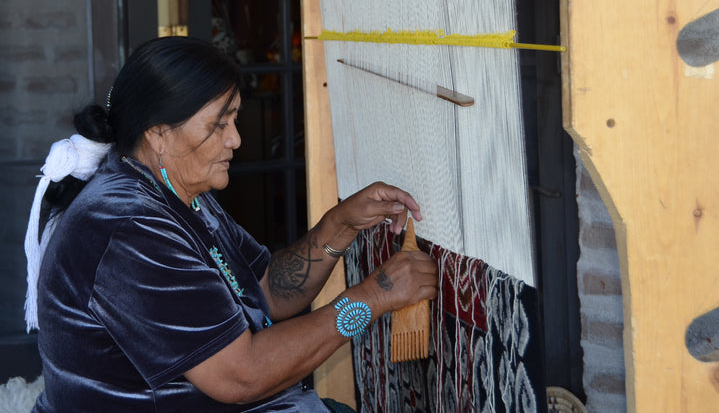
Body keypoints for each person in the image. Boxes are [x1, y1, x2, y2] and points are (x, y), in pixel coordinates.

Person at [24, 36, 438, 412]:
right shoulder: (128, 228)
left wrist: (340, 225)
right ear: (159, 135)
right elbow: (240, 375)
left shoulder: (180, 194)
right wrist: (374, 296)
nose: (236, 139)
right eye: (218, 124)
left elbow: (264, 291)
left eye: (234, 119)